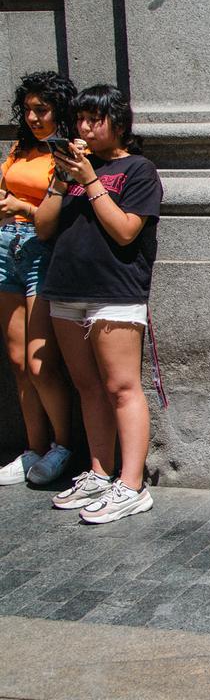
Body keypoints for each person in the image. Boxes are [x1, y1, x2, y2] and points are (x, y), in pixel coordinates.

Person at [34, 84, 162, 523]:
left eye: (95, 119)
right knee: (88, 388)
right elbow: (44, 229)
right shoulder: (71, 172)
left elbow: (126, 230)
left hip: (114, 292)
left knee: (121, 388)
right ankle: (98, 471)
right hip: (67, 291)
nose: (85, 128)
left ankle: (131, 484)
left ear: (119, 123)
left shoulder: (138, 170)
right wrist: (59, 179)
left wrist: (90, 179)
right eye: (80, 120)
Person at [0, 72, 75, 487]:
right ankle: (32, 448)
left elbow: (54, 216)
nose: (32, 117)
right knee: (16, 361)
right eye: (27, 109)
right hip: (4, 247)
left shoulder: (63, 153)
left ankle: (62, 445)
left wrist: (21, 209)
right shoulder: (19, 149)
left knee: (39, 360)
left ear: (59, 111)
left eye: (41, 110)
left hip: (39, 249)